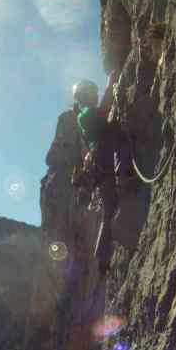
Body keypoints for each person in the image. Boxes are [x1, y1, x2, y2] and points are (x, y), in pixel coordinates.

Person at [71, 78, 134, 274]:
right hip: (104, 162)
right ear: (85, 96)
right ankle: (102, 258)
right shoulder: (85, 114)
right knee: (108, 211)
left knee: (109, 210)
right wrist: (111, 83)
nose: (95, 96)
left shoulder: (83, 114)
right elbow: (105, 109)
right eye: (92, 93)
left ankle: (102, 258)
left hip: (102, 164)